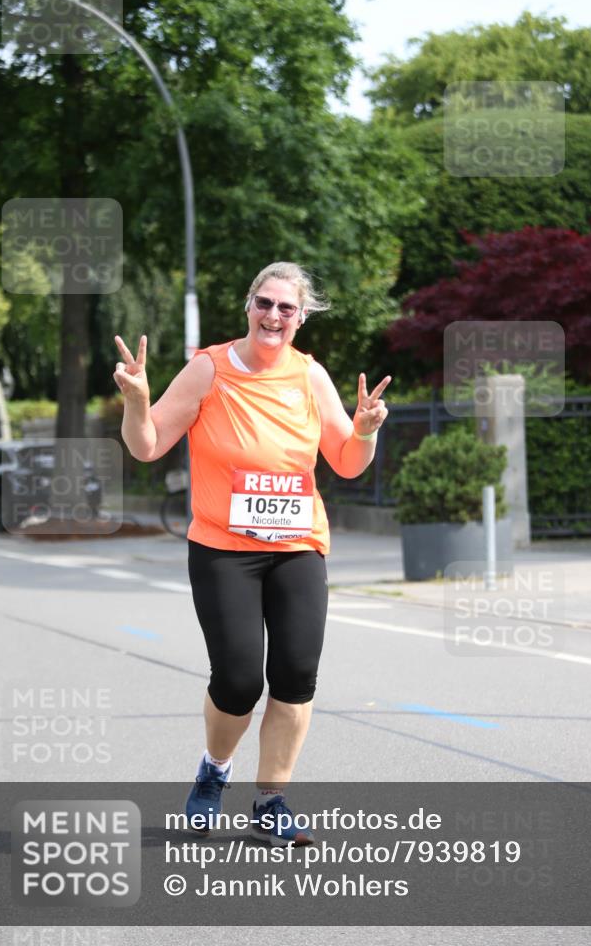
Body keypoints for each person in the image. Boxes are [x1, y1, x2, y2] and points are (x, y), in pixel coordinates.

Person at [113, 261, 389, 846]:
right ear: (248, 306)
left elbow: (345, 461)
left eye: (286, 308)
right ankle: (214, 772)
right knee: (238, 679)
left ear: (302, 317)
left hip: (297, 546)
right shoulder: (208, 369)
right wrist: (137, 401)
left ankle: (272, 800)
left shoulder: (311, 378)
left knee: (295, 674)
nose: (273, 315)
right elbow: (147, 445)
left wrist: (364, 430)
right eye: (264, 303)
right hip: (222, 548)